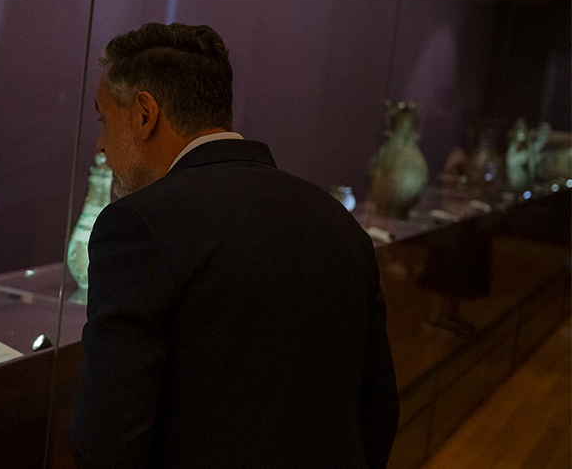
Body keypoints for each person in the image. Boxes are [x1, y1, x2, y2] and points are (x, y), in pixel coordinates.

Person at [69, 23, 400, 468]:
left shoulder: (137, 224)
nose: (101, 145)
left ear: (145, 114)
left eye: (104, 120)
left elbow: (109, 437)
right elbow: (378, 408)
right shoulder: (336, 220)